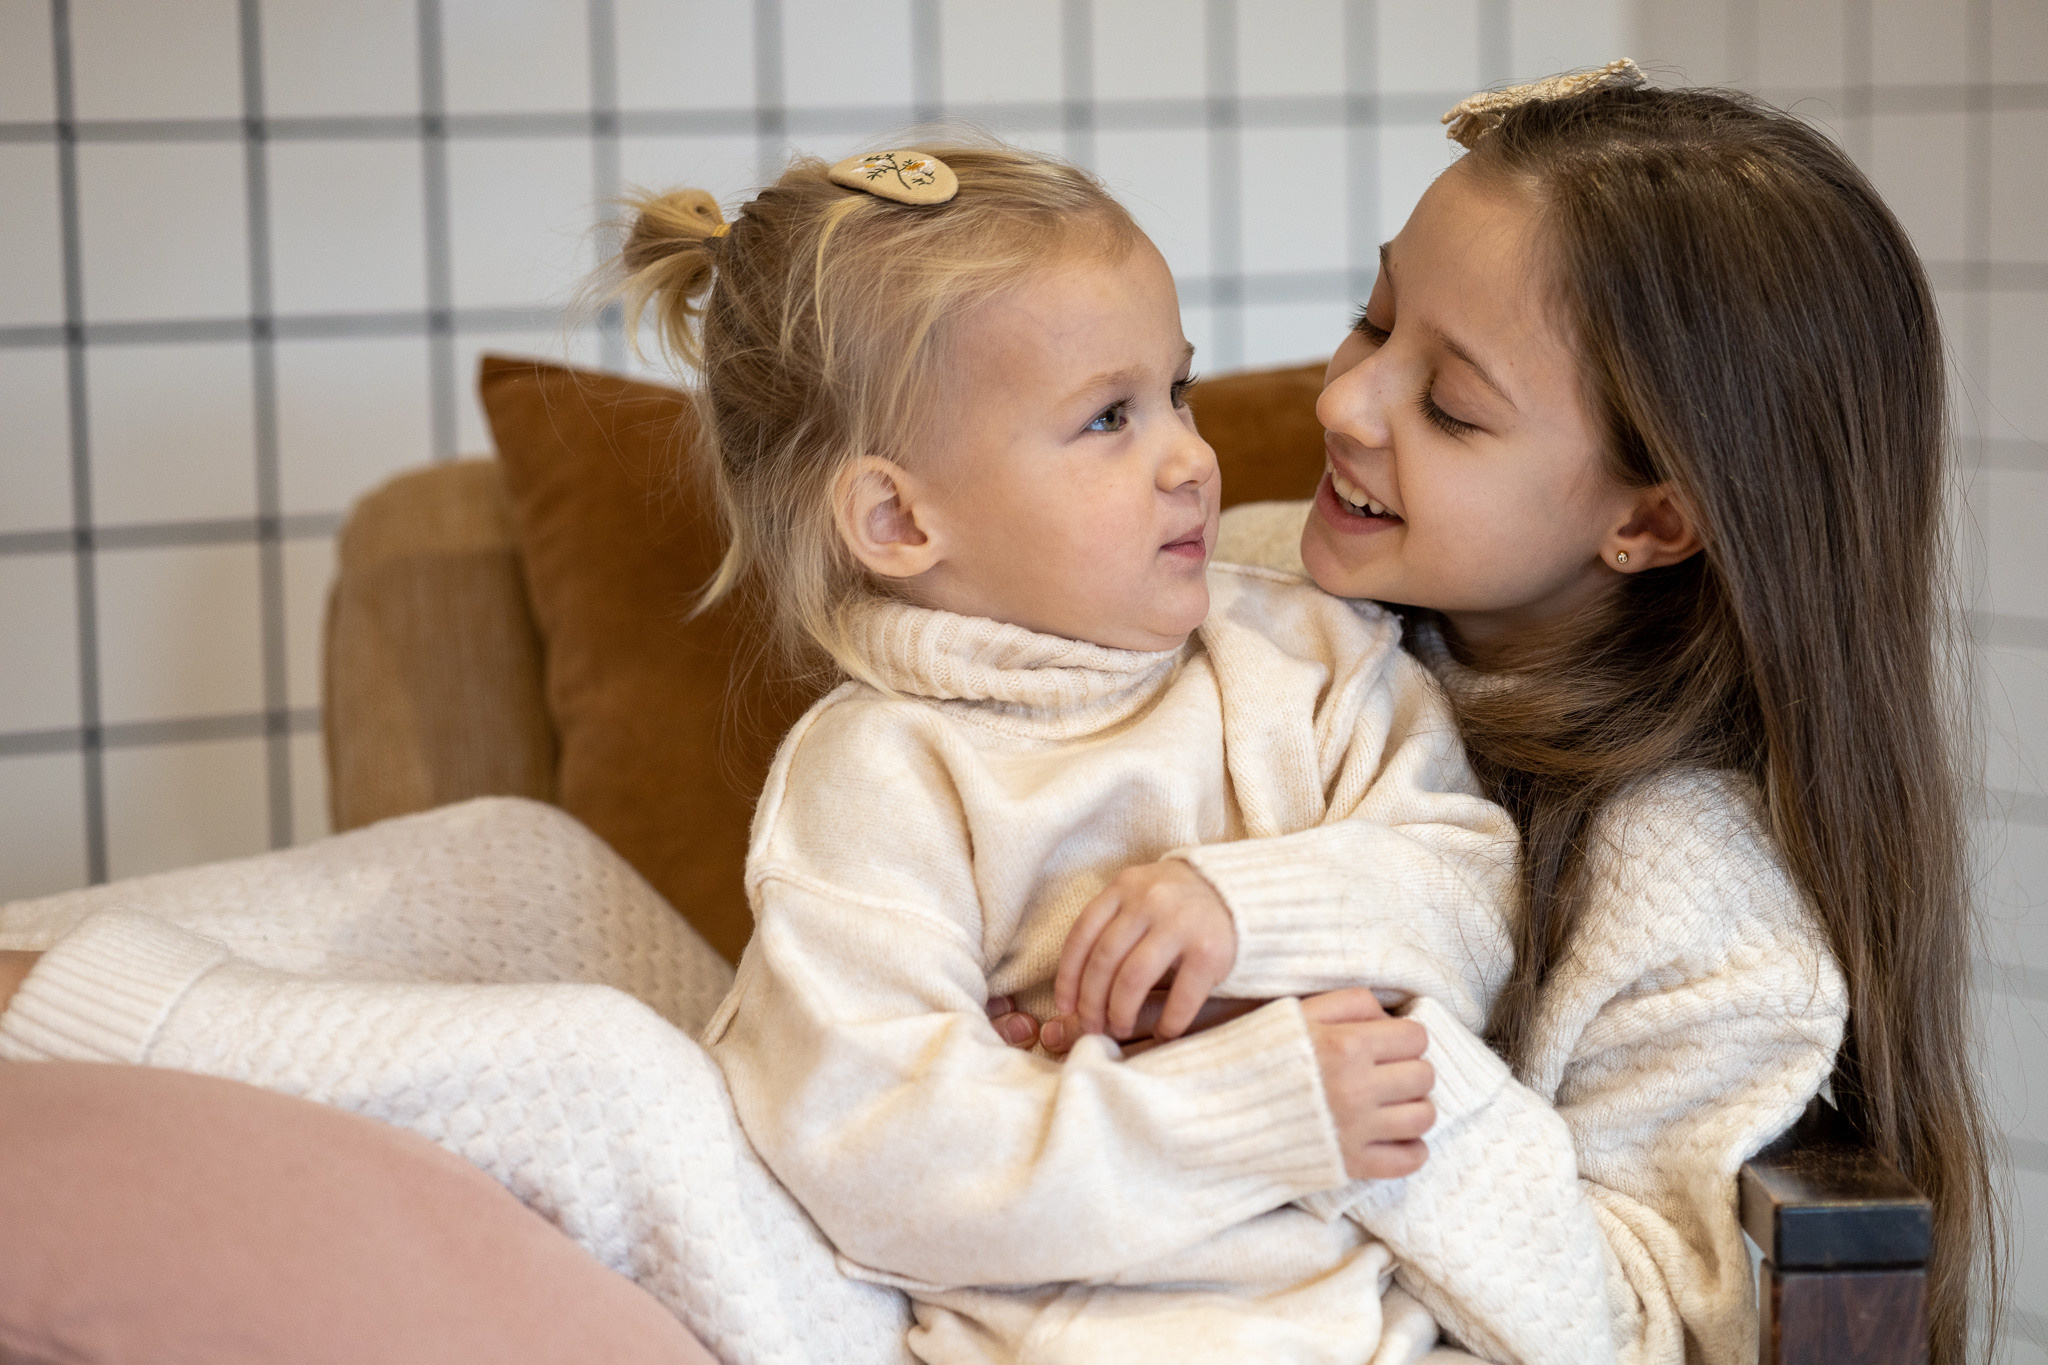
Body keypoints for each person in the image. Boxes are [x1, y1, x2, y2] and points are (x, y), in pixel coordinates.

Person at [1009, 66, 1994, 1365]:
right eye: (1371, 324)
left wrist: (1324, 1060)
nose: (1340, 403)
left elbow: (1644, 1325)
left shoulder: (1700, 908)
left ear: (1651, 518)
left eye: (1451, 407)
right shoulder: (1243, 586)